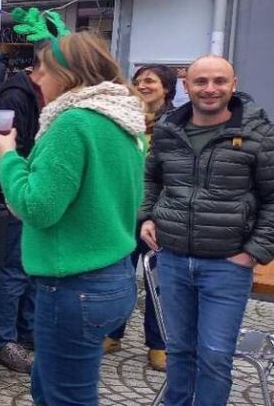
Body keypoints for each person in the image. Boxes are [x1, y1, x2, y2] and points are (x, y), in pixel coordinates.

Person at [0, 30, 146, 406]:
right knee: (52, 386)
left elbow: (37, 207)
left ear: (69, 73)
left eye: (42, 68)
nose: (35, 77)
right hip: (114, 277)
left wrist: (6, 155)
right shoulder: (123, 120)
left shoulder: (73, 123)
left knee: (64, 398)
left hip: (75, 286)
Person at [140, 56, 274, 406]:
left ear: (234, 84)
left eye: (219, 81)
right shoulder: (170, 128)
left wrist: (252, 252)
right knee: (179, 350)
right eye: (201, 81)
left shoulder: (258, 134)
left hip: (226, 265)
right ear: (186, 85)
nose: (210, 89)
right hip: (172, 259)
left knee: (214, 356)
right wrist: (147, 217)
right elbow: (150, 178)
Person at [105, 64, 177, 370]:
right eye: (138, 81)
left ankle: (158, 343)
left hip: (159, 214)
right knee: (119, 275)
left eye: (151, 81)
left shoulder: (175, 124)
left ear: (167, 89)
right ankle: (112, 333)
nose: (143, 85)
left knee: (157, 279)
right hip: (124, 210)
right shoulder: (125, 119)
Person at [0, 65, 43, 374]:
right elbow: (8, 148)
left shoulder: (39, 95)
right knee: (17, 269)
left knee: (30, 266)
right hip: (17, 192)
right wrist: (13, 191)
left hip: (32, 192)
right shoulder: (17, 96)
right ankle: (3, 342)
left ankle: (27, 333)